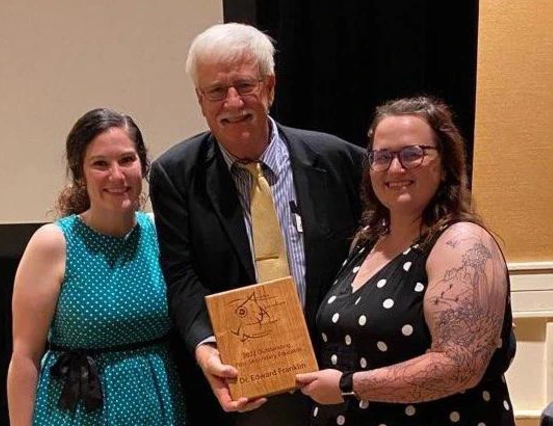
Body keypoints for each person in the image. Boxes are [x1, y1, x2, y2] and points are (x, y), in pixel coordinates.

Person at [149, 23, 364, 426]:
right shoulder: (175, 175)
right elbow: (181, 275)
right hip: (249, 381)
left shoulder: (339, 160)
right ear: (200, 100)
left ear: (270, 87)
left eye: (244, 85)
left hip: (342, 368)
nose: (232, 102)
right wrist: (204, 346)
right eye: (216, 91)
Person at [295, 96, 516, 425]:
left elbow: (458, 367)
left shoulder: (462, 243)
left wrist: (347, 386)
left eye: (412, 154)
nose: (395, 168)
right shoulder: (368, 240)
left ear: (444, 164)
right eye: (381, 157)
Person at [7, 108, 187, 425]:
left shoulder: (160, 234)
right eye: (100, 164)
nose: (116, 176)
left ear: (143, 165)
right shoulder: (53, 244)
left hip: (155, 409)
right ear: (81, 173)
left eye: (127, 160)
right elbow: (25, 358)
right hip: (77, 412)